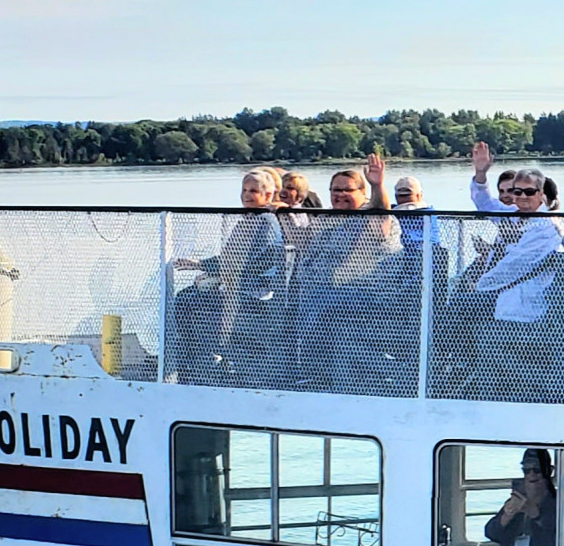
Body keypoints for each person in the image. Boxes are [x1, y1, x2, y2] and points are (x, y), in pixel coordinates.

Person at [294, 155, 403, 389]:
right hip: (330, 297)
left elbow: (381, 211)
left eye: (347, 190)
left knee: (318, 301)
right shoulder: (329, 222)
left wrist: (377, 185)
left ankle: (309, 370)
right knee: (304, 301)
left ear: (362, 193)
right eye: (335, 190)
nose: (339, 194)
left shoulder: (371, 218)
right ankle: (313, 372)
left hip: (369, 296)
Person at [173, 169, 288, 387]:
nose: (246, 195)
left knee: (187, 301)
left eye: (253, 191)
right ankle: (203, 356)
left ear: (267, 195)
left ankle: (205, 359)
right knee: (187, 296)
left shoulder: (264, 221)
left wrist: (205, 267)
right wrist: (200, 265)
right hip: (238, 287)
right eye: (244, 190)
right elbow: (231, 258)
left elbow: (252, 262)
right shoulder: (249, 219)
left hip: (254, 293)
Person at [471, 164, 564, 400]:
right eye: (517, 192)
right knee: (450, 318)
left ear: (541, 194)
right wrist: (481, 174)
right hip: (502, 302)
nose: (522, 197)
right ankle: (466, 380)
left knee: (468, 322)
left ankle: (538, 391)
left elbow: (516, 264)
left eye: (529, 192)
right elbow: (484, 203)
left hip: (533, 308)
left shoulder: (547, 225)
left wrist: (479, 285)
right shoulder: (513, 217)